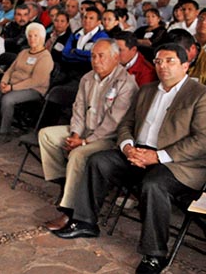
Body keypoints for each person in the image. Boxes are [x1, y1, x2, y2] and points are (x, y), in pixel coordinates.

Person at [53, 44, 206, 274]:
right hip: (137, 153)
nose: (162, 66)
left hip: (177, 163)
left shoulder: (199, 94)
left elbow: (202, 140)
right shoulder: (148, 90)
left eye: (170, 61)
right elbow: (127, 124)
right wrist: (127, 147)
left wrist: (157, 156)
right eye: (158, 61)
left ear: (185, 65)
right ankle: (85, 222)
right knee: (98, 161)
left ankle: (154, 255)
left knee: (154, 185)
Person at [39, 39, 138, 232]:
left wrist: (83, 142)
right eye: (93, 56)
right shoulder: (87, 78)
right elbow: (78, 110)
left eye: (102, 56)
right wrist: (75, 134)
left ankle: (68, 210)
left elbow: (113, 123)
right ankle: (65, 181)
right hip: (83, 131)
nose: (96, 60)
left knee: (78, 154)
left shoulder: (126, 83)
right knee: (46, 136)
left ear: (116, 58)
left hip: (107, 139)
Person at [0, 23, 53, 143]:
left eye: (36, 36)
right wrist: (3, 82)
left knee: (8, 100)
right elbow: (11, 69)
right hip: (11, 85)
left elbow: (35, 80)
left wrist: (12, 87)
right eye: (30, 36)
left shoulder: (45, 57)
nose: (32, 39)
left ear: (42, 38)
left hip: (34, 89)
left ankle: (4, 132)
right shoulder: (24, 52)